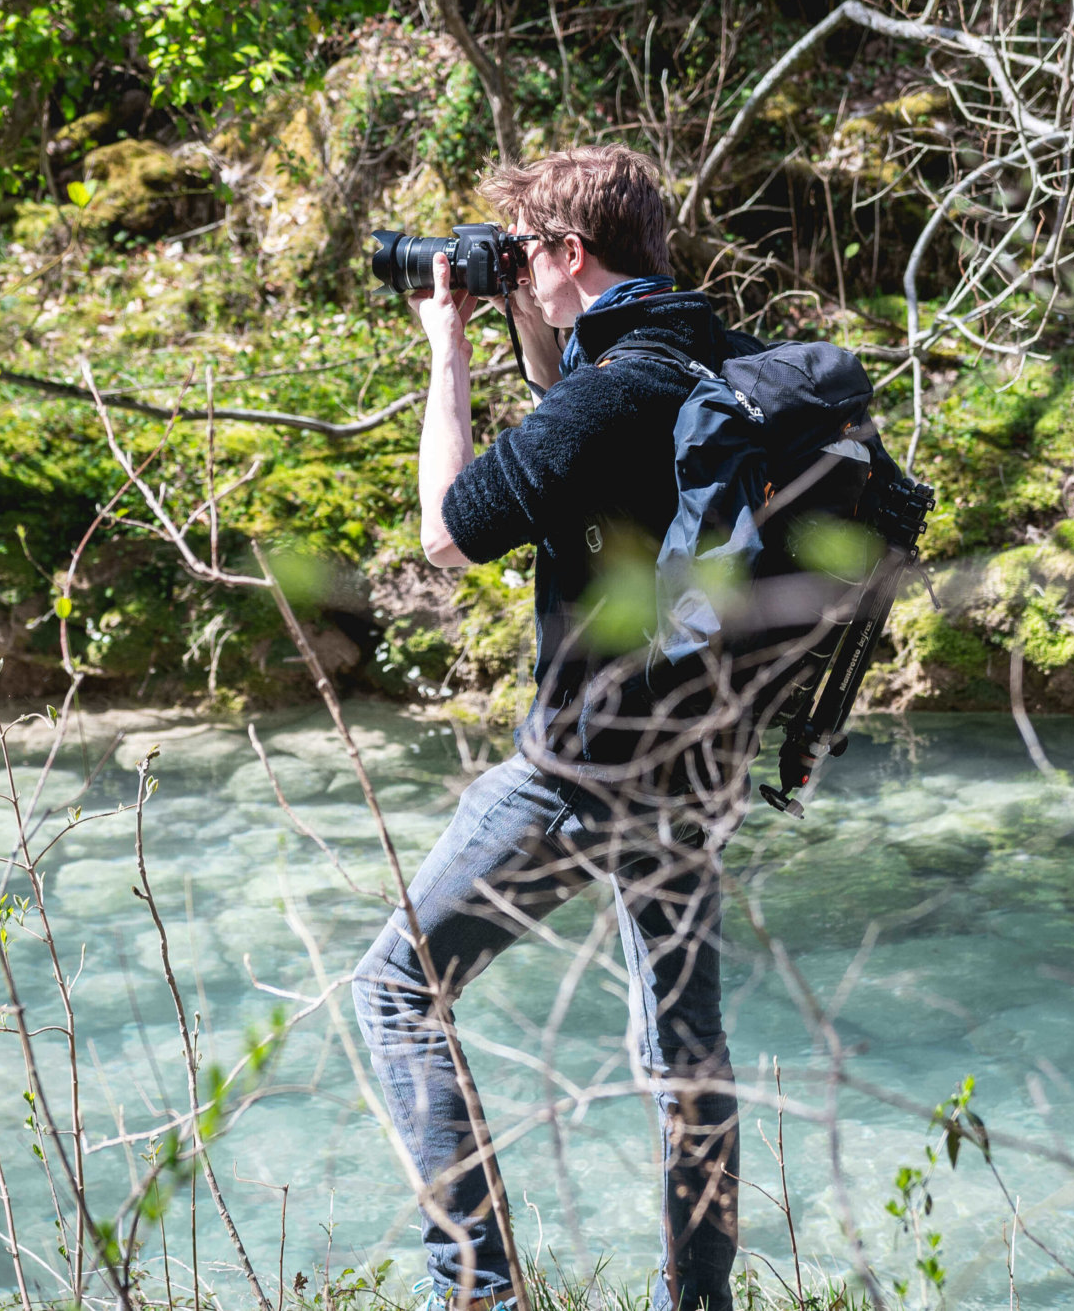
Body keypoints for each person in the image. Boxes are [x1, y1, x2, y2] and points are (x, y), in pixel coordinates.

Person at [352, 145, 749, 1311]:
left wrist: (446, 349)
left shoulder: (613, 392)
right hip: (696, 767)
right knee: (684, 1057)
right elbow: (572, 431)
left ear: (570, 254)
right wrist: (529, 323)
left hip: (582, 773)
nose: (511, 272)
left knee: (396, 992)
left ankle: (473, 1293)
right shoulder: (702, 357)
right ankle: (703, 1301)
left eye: (524, 255)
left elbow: (450, 530)